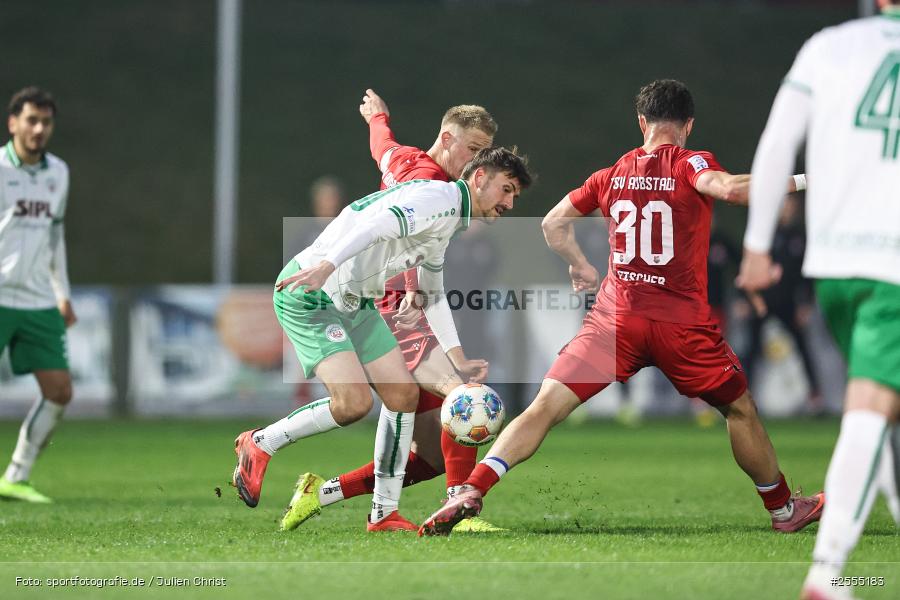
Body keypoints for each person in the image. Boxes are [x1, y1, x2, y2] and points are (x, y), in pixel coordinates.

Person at [420, 79, 822, 537]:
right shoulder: (691, 162)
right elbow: (731, 190)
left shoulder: (611, 174)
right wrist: (805, 179)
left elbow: (553, 223)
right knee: (740, 410)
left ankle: (472, 489)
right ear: (687, 125)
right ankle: (784, 509)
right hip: (680, 326)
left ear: (641, 122)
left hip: (616, 320)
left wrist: (580, 266)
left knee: (544, 407)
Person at [231, 145, 532, 532]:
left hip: (357, 302)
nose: (509, 203)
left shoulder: (450, 217)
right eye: (506, 190)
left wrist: (457, 356)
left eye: (515, 196)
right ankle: (260, 442)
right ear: (479, 178)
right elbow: (371, 225)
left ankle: (383, 513)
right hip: (312, 294)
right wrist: (326, 265)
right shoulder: (437, 200)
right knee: (353, 403)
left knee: (403, 396)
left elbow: (431, 289)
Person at [279, 90, 504, 533]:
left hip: (399, 304)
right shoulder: (430, 183)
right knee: (463, 396)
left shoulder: (406, 161)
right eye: (474, 151)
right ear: (448, 138)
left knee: (435, 454)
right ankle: (458, 512)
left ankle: (323, 492)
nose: (479, 165)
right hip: (389, 308)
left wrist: (376, 117)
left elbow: (382, 146)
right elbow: (377, 225)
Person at [737, 3, 900, 598]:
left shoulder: (829, 45)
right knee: (872, 408)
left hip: (834, 267)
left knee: (884, 412)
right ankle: (830, 575)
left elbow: (779, 142)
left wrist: (757, 247)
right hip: (893, 265)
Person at [0, 87, 75, 503]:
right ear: (13, 123)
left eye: (45, 122)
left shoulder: (58, 172)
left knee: (60, 391)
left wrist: (62, 292)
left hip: (36, 299)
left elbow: (55, 236)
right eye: (31, 120)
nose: (38, 129)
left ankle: (16, 476)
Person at [740, 195, 823, 414]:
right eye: (785, 206)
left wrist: (805, 303)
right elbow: (746, 268)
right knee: (751, 348)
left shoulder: (800, 238)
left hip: (789, 303)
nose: (788, 211)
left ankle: (815, 396)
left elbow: (808, 274)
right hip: (764, 302)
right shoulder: (764, 236)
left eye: (791, 207)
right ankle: (740, 396)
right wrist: (748, 298)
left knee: (803, 347)